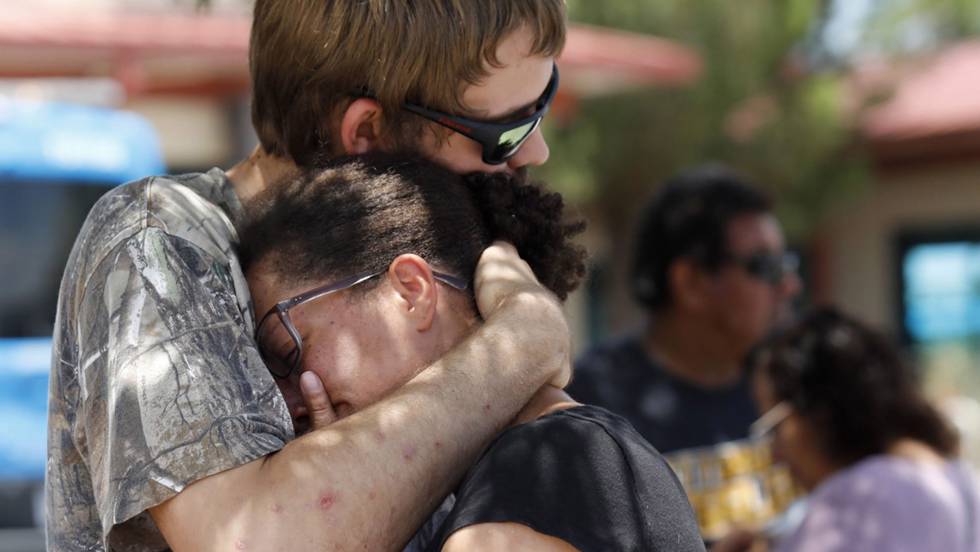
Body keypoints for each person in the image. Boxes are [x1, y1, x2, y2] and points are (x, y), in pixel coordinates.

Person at [46, 2, 573, 550]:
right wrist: (521, 344)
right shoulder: (160, 236)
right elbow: (250, 541)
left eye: (545, 99)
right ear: (365, 132)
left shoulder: (435, 258)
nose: (536, 150)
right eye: (505, 133)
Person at [241, 152, 707, 552]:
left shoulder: (542, 465)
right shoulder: (538, 464)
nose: (291, 402)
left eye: (288, 351)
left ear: (410, 291)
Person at [567, 164, 803, 540]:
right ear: (691, 282)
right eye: (767, 267)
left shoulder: (794, 384)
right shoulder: (590, 408)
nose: (789, 285)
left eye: (787, 263)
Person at [714, 306, 980, 552]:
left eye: (773, 428)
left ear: (818, 412)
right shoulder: (956, 477)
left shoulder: (857, 501)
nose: (775, 454)